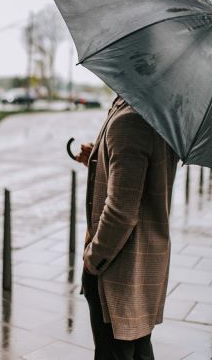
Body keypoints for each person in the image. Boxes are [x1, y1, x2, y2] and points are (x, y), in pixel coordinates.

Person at [74, 96, 179, 360]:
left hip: (117, 268)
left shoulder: (130, 120)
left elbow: (121, 211)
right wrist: (98, 158)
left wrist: (93, 260)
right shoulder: (162, 113)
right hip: (144, 262)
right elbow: (141, 181)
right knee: (138, 350)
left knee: (114, 352)